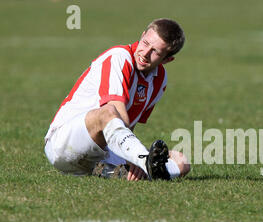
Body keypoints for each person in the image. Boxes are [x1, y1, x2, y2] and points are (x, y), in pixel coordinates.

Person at [44, 18, 190, 181]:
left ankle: (109, 171)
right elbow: (115, 111)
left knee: (181, 162)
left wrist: (131, 161)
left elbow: (130, 126)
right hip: (64, 145)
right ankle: (144, 162)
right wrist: (137, 157)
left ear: (167, 60)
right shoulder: (119, 57)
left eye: (155, 51)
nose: (145, 53)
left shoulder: (160, 80)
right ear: (142, 35)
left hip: (101, 154)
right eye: (145, 43)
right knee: (109, 112)